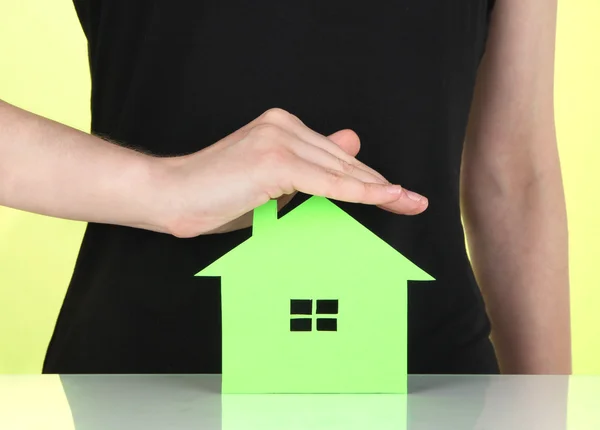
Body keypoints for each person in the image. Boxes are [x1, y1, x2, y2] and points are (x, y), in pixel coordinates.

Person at [0, 0, 570, 375]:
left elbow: (514, 175)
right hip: (144, 386)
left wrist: (547, 414)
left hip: (430, 386)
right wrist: (163, 188)